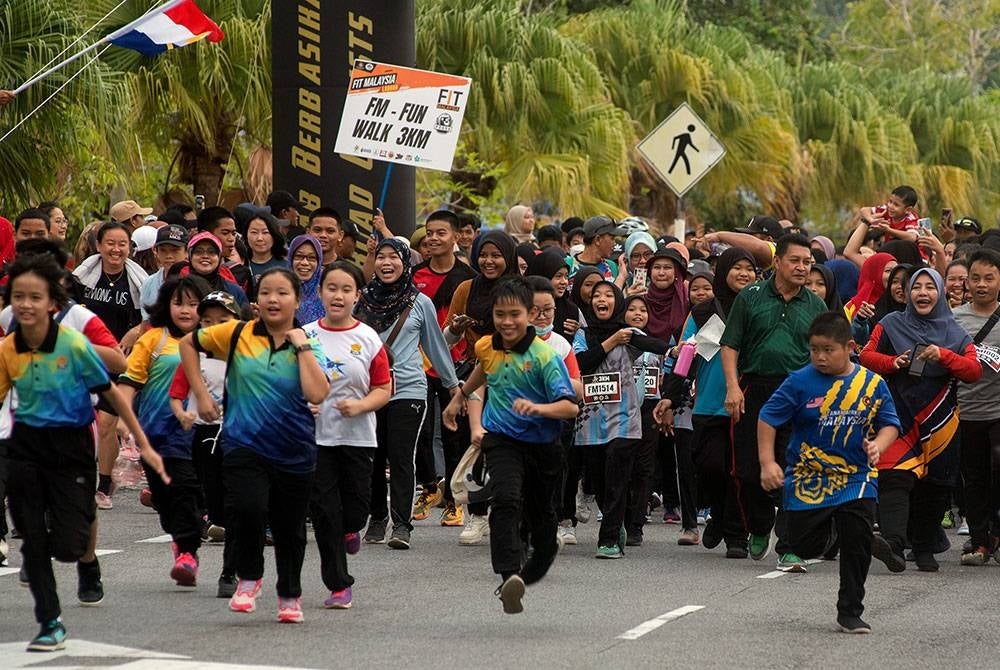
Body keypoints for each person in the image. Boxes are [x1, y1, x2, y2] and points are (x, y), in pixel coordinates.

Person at [2, 252, 167, 651]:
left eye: (35, 297)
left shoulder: (75, 343)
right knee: (34, 541)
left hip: (72, 445)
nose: (25, 305)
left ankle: (84, 559)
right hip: (24, 445)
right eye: (17, 297)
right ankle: (50, 621)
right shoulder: (7, 346)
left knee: (68, 544)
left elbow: (111, 389)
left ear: (53, 303)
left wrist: (143, 442)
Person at [179, 267, 330, 624]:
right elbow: (188, 343)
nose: (273, 300)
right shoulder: (236, 333)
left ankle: (290, 595)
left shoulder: (310, 341)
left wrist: (302, 346)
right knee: (247, 509)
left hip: (294, 449)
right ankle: (249, 578)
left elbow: (317, 393)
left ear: (297, 299)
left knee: (289, 528)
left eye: (282, 293)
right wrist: (200, 395)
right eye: (265, 293)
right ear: (256, 300)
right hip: (243, 444)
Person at [442, 277, 578, 614]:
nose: (507, 321)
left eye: (514, 314)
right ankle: (507, 575)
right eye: (500, 314)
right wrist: (458, 398)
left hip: (543, 447)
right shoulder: (486, 346)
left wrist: (539, 408)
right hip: (502, 439)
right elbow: (482, 371)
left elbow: (570, 406)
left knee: (543, 524)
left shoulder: (545, 356)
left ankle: (525, 575)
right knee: (504, 498)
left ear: (529, 314)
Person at [758, 312, 900, 634]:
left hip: (856, 477)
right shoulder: (799, 381)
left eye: (828, 349)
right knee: (804, 546)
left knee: (857, 541)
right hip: (809, 476)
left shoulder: (872, 384)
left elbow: (890, 424)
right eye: (814, 349)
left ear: (850, 347)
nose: (820, 357)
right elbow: (767, 418)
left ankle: (850, 611)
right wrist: (768, 462)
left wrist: (879, 445)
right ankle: (836, 529)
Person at [859, 267, 982, 572]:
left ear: (940, 293)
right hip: (898, 416)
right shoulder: (890, 324)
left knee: (936, 485)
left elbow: (974, 370)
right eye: (917, 287)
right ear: (908, 292)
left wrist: (944, 356)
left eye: (930, 287)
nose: (923, 293)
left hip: (941, 420)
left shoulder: (955, 332)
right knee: (894, 478)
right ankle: (894, 546)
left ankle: (925, 547)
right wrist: (893, 362)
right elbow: (865, 356)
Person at [720, 234, 827, 572]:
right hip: (755, 391)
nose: (802, 267)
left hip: (799, 392)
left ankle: (790, 546)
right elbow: (731, 344)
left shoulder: (815, 305)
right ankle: (759, 523)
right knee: (749, 469)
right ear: (777, 261)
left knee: (794, 467)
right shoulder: (750, 297)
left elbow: (826, 354)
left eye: (807, 262)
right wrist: (732, 387)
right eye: (795, 261)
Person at [354, 239, 460, 549]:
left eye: (393, 257)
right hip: (370, 389)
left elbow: (436, 348)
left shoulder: (420, 302)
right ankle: (376, 518)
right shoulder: (362, 302)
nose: (386, 263)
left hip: (409, 389)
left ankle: (401, 524)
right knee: (372, 457)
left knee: (401, 456)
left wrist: (454, 388)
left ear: (405, 262)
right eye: (380, 257)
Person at [303, 262, 391, 610]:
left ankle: (352, 529)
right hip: (315, 439)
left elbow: (384, 388)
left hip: (358, 438)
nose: (338, 296)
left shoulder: (368, 338)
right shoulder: (304, 336)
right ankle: (339, 584)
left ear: (357, 296)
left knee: (354, 512)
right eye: (331, 288)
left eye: (346, 290)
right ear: (321, 292)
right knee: (325, 513)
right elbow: (285, 380)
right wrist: (300, 404)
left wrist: (362, 406)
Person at [663, 247, 757, 557]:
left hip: (747, 401)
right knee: (709, 465)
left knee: (738, 472)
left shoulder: (760, 307)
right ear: (723, 271)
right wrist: (669, 396)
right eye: (737, 267)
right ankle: (718, 512)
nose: (744, 273)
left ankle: (736, 535)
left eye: (750, 268)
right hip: (708, 402)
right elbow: (686, 357)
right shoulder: (703, 312)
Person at [118, 276, 210, 587]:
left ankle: (186, 551)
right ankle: (181, 537)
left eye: (194, 304)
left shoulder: (212, 339)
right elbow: (130, 381)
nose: (186, 310)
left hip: (198, 432)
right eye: (179, 303)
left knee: (187, 489)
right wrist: (123, 418)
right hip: (155, 434)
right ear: (166, 306)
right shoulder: (153, 339)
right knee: (165, 497)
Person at [574, 280, 669, 558]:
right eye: (596, 295)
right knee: (597, 478)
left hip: (624, 417)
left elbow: (651, 343)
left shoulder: (628, 333)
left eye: (608, 294)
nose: (601, 299)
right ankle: (615, 524)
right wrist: (610, 342)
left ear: (617, 302)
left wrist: (674, 350)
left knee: (617, 474)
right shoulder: (583, 335)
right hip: (591, 420)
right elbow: (581, 363)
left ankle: (609, 539)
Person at [441, 230, 519, 533]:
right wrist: (457, 329)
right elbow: (446, 339)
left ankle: (507, 509)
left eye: (496, 255)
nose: (489, 261)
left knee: (508, 445)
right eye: (483, 255)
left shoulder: (519, 289)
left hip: (512, 377)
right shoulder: (466, 288)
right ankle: (475, 514)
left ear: (508, 257)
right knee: (472, 440)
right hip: (476, 373)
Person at [168, 291, 241, 597]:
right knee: (213, 497)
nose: (213, 328)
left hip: (242, 436)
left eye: (222, 321)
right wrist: (183, 413)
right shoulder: (194, 353)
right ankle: (198, 535)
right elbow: (177, 392)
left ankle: (230, 572)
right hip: (204, 434)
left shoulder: (247, 351)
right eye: (207, 322)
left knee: (239, 501)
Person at [73, 221, 149, 509]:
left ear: (130, 248)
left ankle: (103, 486)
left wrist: (135, 331)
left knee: (106, 424)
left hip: (121, 361)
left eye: (122, 244)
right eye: (110, 243)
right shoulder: (81, 278)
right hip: (85, 358)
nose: (116, 250)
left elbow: (151, 319)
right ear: (99, 246)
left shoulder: (141, 281)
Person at [407, 211, 475, 519]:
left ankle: (453, 500)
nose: (433, 238)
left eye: (441, 233)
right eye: (429, 233)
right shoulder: (414, 275)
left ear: (456, 237)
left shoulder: (467, 278)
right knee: (419, 433)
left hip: (455, 366)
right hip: (417, 366)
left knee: (453, 434)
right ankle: (429, 487)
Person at [946, 249, 1000, 565]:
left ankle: (995, 531)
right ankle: (980, 543)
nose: (982, 285)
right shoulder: (954, 319)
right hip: (965, 410)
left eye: (989, 278)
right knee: (974, 478)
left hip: (998, 409)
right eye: (975, 278)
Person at [569, 216, 625, 281]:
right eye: (612, 238)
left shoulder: (612, 267)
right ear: (598, 240)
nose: (615, 243)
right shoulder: (568, 265)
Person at [287, 235, 324, 324]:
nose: (304, 263)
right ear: (290, 259)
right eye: (299, 256)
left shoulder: (326, 289)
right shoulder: (279, 287)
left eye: (311, 258)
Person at [245, 212, 288, 285]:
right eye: (254, 232)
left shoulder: (286, 267)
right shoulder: (240, 266)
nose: (259, 238)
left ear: (274, 235)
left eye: (265, 232)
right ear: (246, 235)